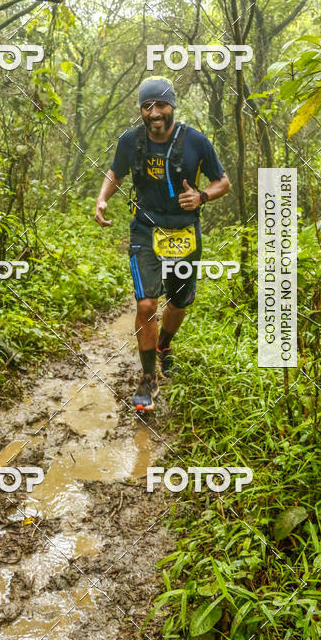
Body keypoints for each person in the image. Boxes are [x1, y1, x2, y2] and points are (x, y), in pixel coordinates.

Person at [94, 76, 231, 410]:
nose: (154, 112)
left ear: (172, 106)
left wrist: (201, 196)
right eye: (147, 106)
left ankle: (164, 345)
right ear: (141, 109)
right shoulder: (130, 141)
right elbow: (116, 172)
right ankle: (148, 379)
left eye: (160, 105)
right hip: (145, 229)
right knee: (145, 305)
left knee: (180, 303)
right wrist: (102, 199)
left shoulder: (196, 141)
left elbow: (222, 182)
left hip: (184, 231)